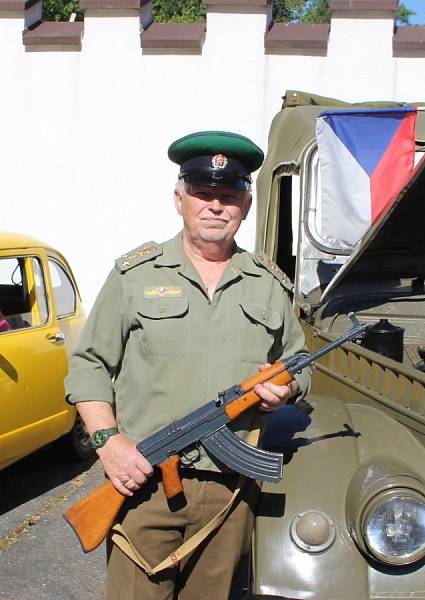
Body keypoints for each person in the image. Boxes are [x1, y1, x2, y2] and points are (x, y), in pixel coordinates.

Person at [65, 131, 310, 600]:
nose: (216, 205)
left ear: (246, 204)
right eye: (203, 193)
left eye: (229, 195)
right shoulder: (135, 276)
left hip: (230, 492)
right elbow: (89, 364)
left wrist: (289, 389)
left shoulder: (269, 285)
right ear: (179, 199)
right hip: (142, 485)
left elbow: (299, 363)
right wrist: (107, 442)